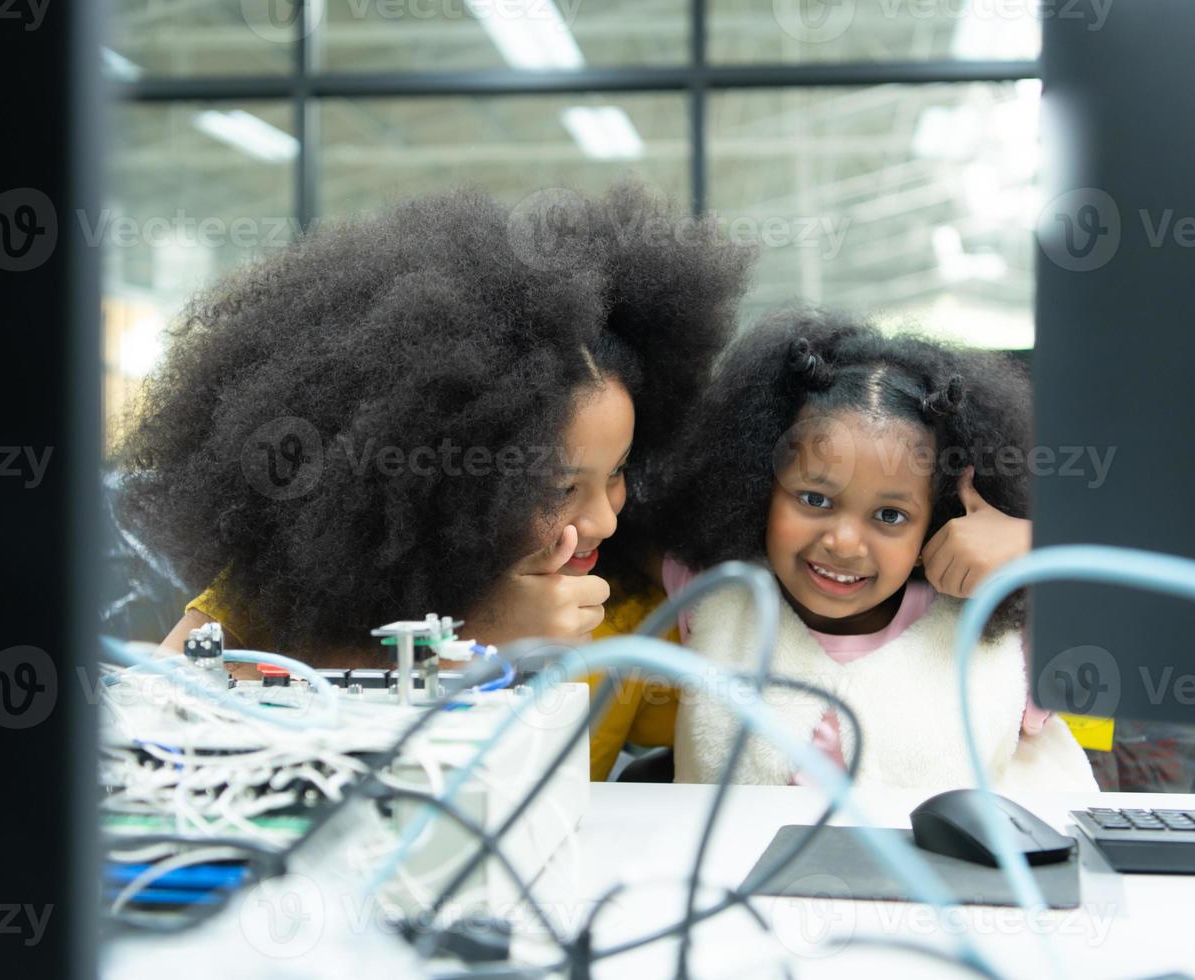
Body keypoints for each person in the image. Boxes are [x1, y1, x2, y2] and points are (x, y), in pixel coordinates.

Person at [115, 183, 752, 780]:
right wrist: (471, 636)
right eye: (560, 490)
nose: (604, 520)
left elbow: (749, 727)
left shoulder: (631, 608)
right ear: (448, 478)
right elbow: (154, 708)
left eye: (615, 475)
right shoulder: (282, 594)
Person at [659, 310, 1096, 792]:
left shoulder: (1006, 632)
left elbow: (1145, 612)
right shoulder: (705, 585)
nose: (843, 542)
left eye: (890, 516)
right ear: (759, 488)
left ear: (939, 524)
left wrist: (1035, 544)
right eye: (814, 499)